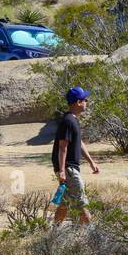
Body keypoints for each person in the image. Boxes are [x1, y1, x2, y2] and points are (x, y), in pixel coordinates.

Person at [51, 86, 99, 225]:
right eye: (85, 100)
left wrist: (91, 162)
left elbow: (79, 142)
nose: (86, 102)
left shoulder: (73, 120)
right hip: (68, 169)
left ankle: (55, 232)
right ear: (78, 102)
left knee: (65, 202)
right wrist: (61, 171)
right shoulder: (68, 121)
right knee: (81, 201)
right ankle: (92, 235)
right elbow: (62, 147)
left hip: (69, 168)